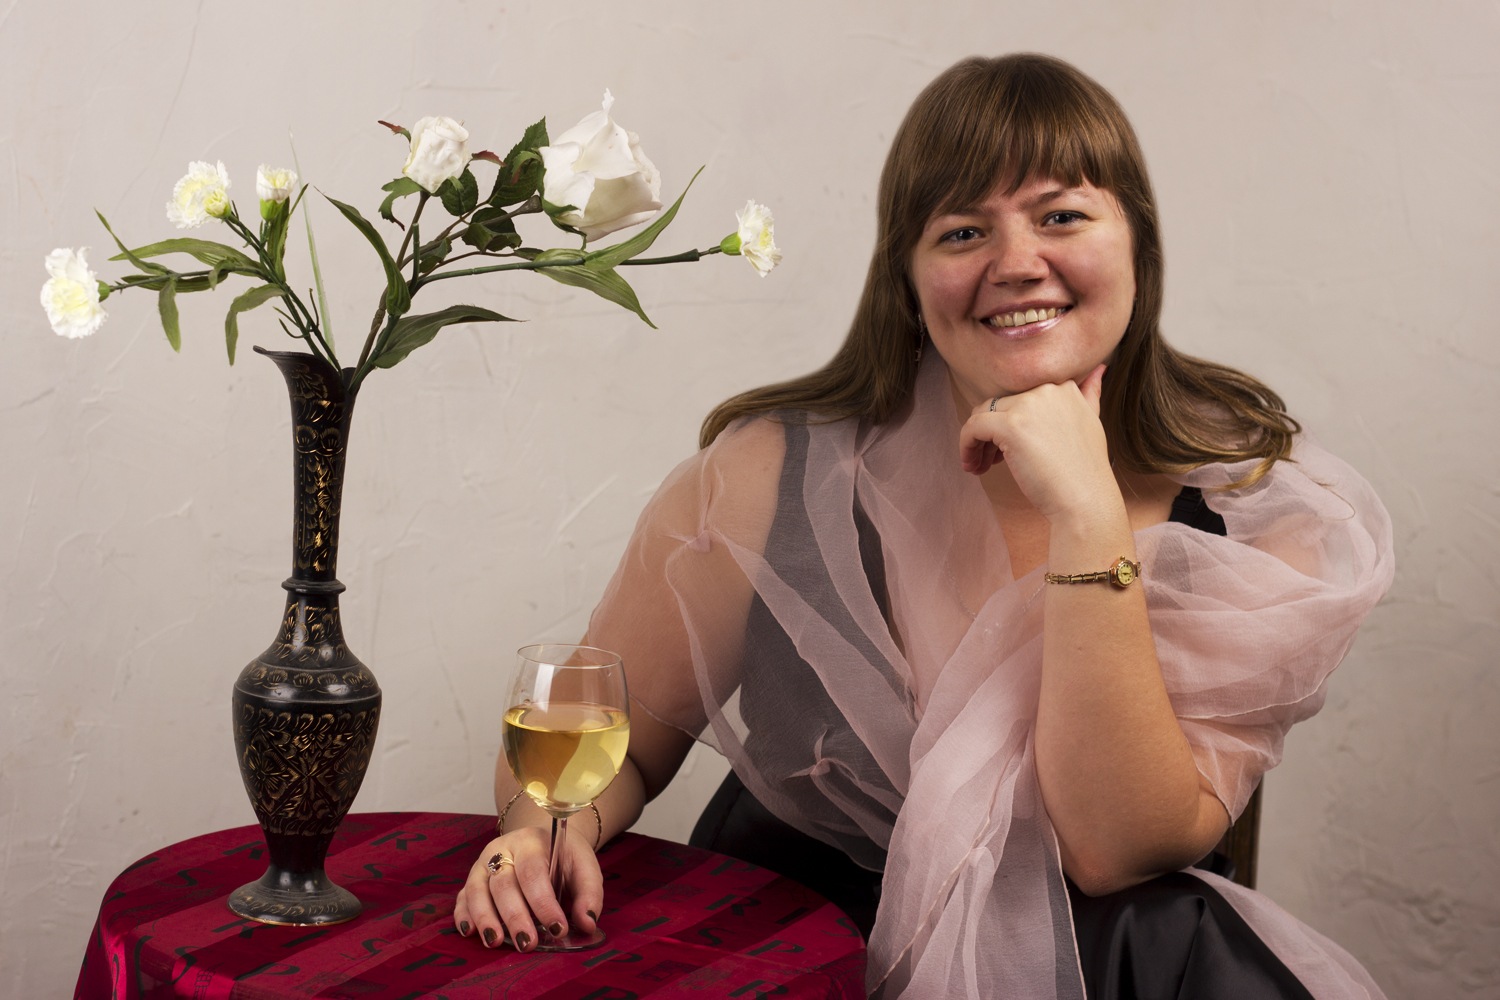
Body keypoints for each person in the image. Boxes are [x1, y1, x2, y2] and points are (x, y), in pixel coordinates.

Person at [454, 53, 1394, 998]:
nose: (1016, 262)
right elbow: (605, 741)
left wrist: (1086, 514)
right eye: (962, 231)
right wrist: (543, 834)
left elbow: (1113, 853)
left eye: (1062, 216)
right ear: (907, 279)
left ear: (1139, 245)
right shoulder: (767, 474)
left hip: (1111, 968)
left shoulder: (1259, 506)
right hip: (802, 954)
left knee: (1171, 926)